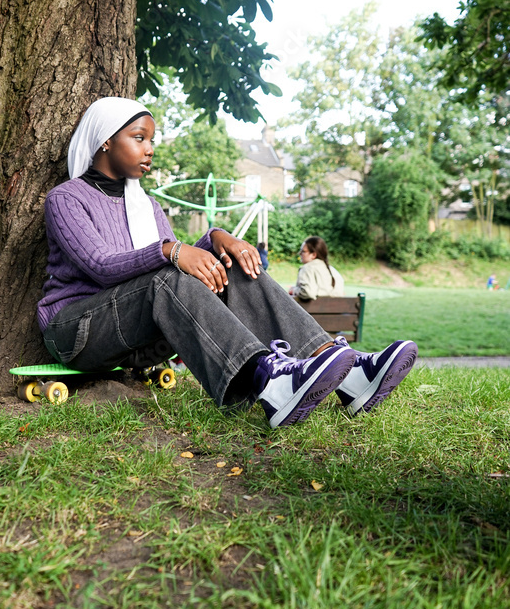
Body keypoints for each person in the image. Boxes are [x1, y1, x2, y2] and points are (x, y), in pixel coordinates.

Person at [38, 97, 418, 428]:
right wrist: (172, 250)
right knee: (168, 278)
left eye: (152, 140)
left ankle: (349, 374)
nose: (149, 149)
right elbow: (103, 266)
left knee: (230, 264)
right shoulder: (67, 199)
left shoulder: (146, 205)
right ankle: (271, 383)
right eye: (139, 138)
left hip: (140, 339)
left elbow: (177, 258)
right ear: (106, 140)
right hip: (78, 332)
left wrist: (218, 238)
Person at [290, 236, 344, 301]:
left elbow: (308, 293)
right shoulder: (333, 270)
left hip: (315, 307)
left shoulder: (307, 268)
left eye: (303, 251)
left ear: (313, 255)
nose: (299, 253)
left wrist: (294, 290)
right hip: (337, 307)